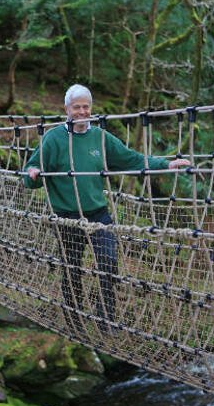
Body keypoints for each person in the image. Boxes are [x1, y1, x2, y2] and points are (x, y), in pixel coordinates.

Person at [24, 84, 190, 336]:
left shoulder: (100, 137)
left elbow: (131, 159)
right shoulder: (53, 138)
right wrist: (33, 173)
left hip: (97, 213)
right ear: (67, 109)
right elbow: (30, 173)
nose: (82, 112)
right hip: (66, 216)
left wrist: (165, 164)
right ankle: (74, 319)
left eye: (86, 107)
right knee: (72, 268)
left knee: (109, 261)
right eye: (76, 107)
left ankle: (106, 319)